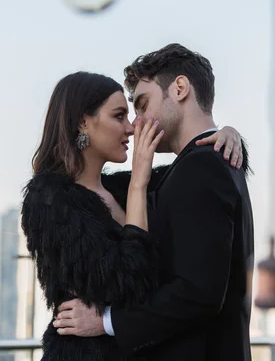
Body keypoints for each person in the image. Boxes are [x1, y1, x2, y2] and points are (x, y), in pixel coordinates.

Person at [21, 70, 245, 361]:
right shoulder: (49, 200)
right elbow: (128, 282)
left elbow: (195, 170)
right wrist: (139, 181)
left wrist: (227, 135)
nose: (131, 128)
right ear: (83, 122)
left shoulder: (118, 187)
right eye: (119, 116)